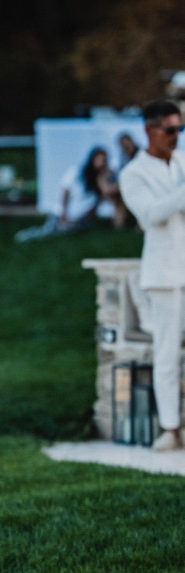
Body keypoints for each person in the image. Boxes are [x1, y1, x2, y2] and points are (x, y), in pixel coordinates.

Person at [118, 100, 185, 451]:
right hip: (164, 273)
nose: (176, 136)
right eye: (170, 130)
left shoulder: (183, 162)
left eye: (180, 129)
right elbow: (149, 214)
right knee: (167, 353)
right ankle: (170, 428)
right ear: (149, 130)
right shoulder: (132, 174)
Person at [15, 145, 110, 242]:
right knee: (48, 233)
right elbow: (65, 192)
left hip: (80, 219)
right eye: (101, 160)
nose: (103, 163)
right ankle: (25, 237)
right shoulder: (76, 172)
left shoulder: (102, 179)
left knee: (66, 233)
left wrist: (104, 178)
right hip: (63, 214)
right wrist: (64, 214)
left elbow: (97, 204)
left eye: (105, 160)